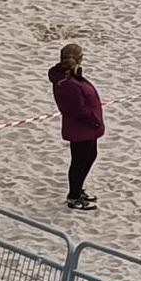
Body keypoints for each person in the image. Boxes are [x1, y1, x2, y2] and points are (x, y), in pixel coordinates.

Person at [46, 44, 104, 210]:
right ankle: (74, 196)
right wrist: (93, 118)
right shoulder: (68, 83)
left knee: (89, 156)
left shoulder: (71, 76)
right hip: (81, 127)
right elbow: (77, 109)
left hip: (86, 126)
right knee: (80, 161)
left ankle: (78, 190)